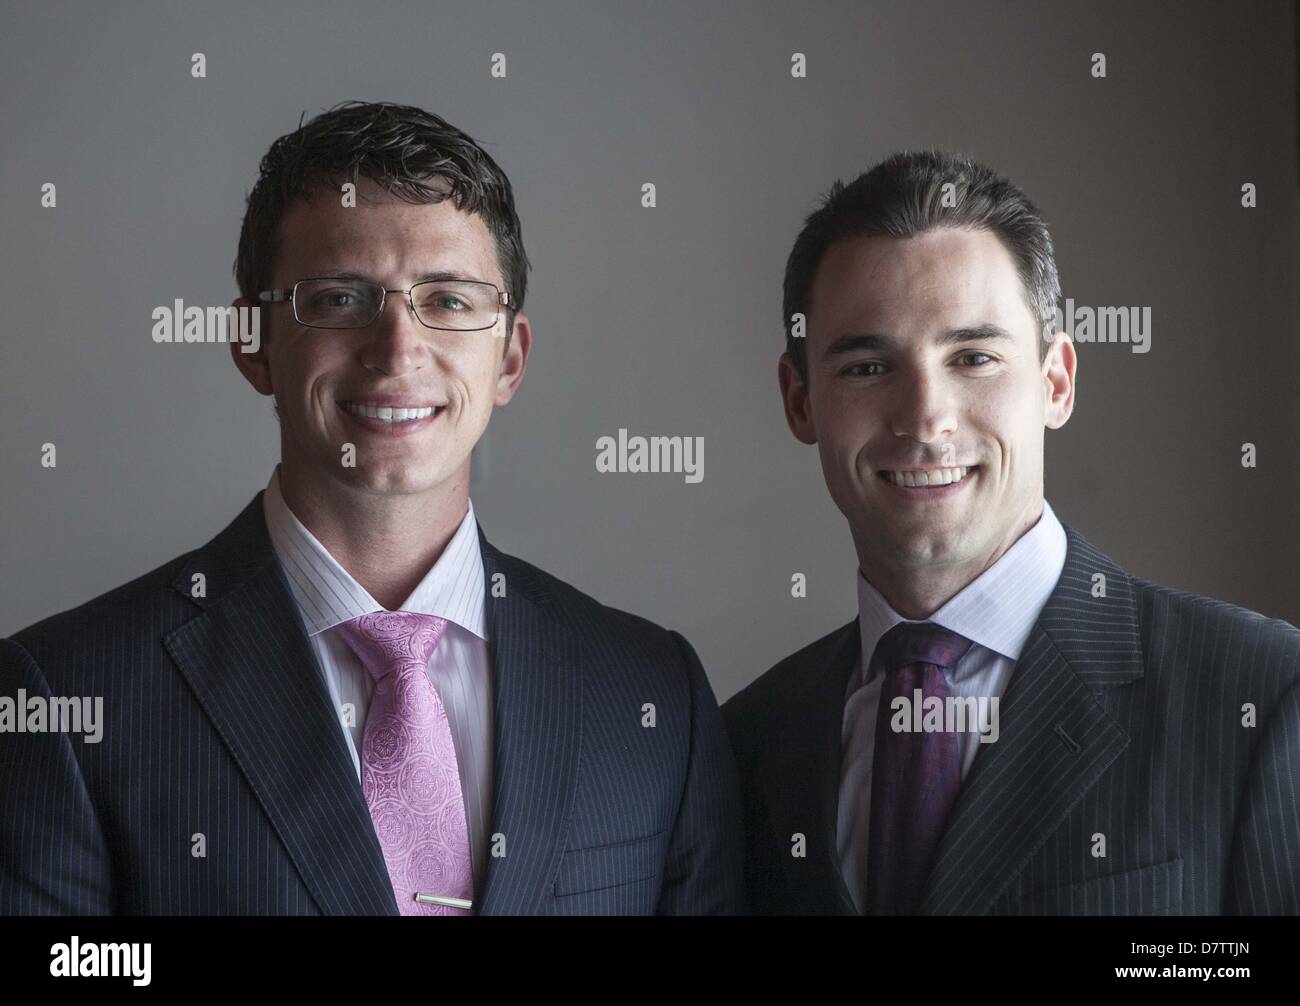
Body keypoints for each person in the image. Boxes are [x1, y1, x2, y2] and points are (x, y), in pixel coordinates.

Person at [0, 100, 743, 916]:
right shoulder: (65, 699)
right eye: (340, 299)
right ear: (253, 341)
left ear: (511, 358)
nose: (397, 351)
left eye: (451, 301)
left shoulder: (652, 695)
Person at [722, 150, 1300, 915]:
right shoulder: (745, 743)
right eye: (867, 367)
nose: (926, 418)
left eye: (974, 357)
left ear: (1056, 381)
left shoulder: (1259, 698)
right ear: (800, 402)